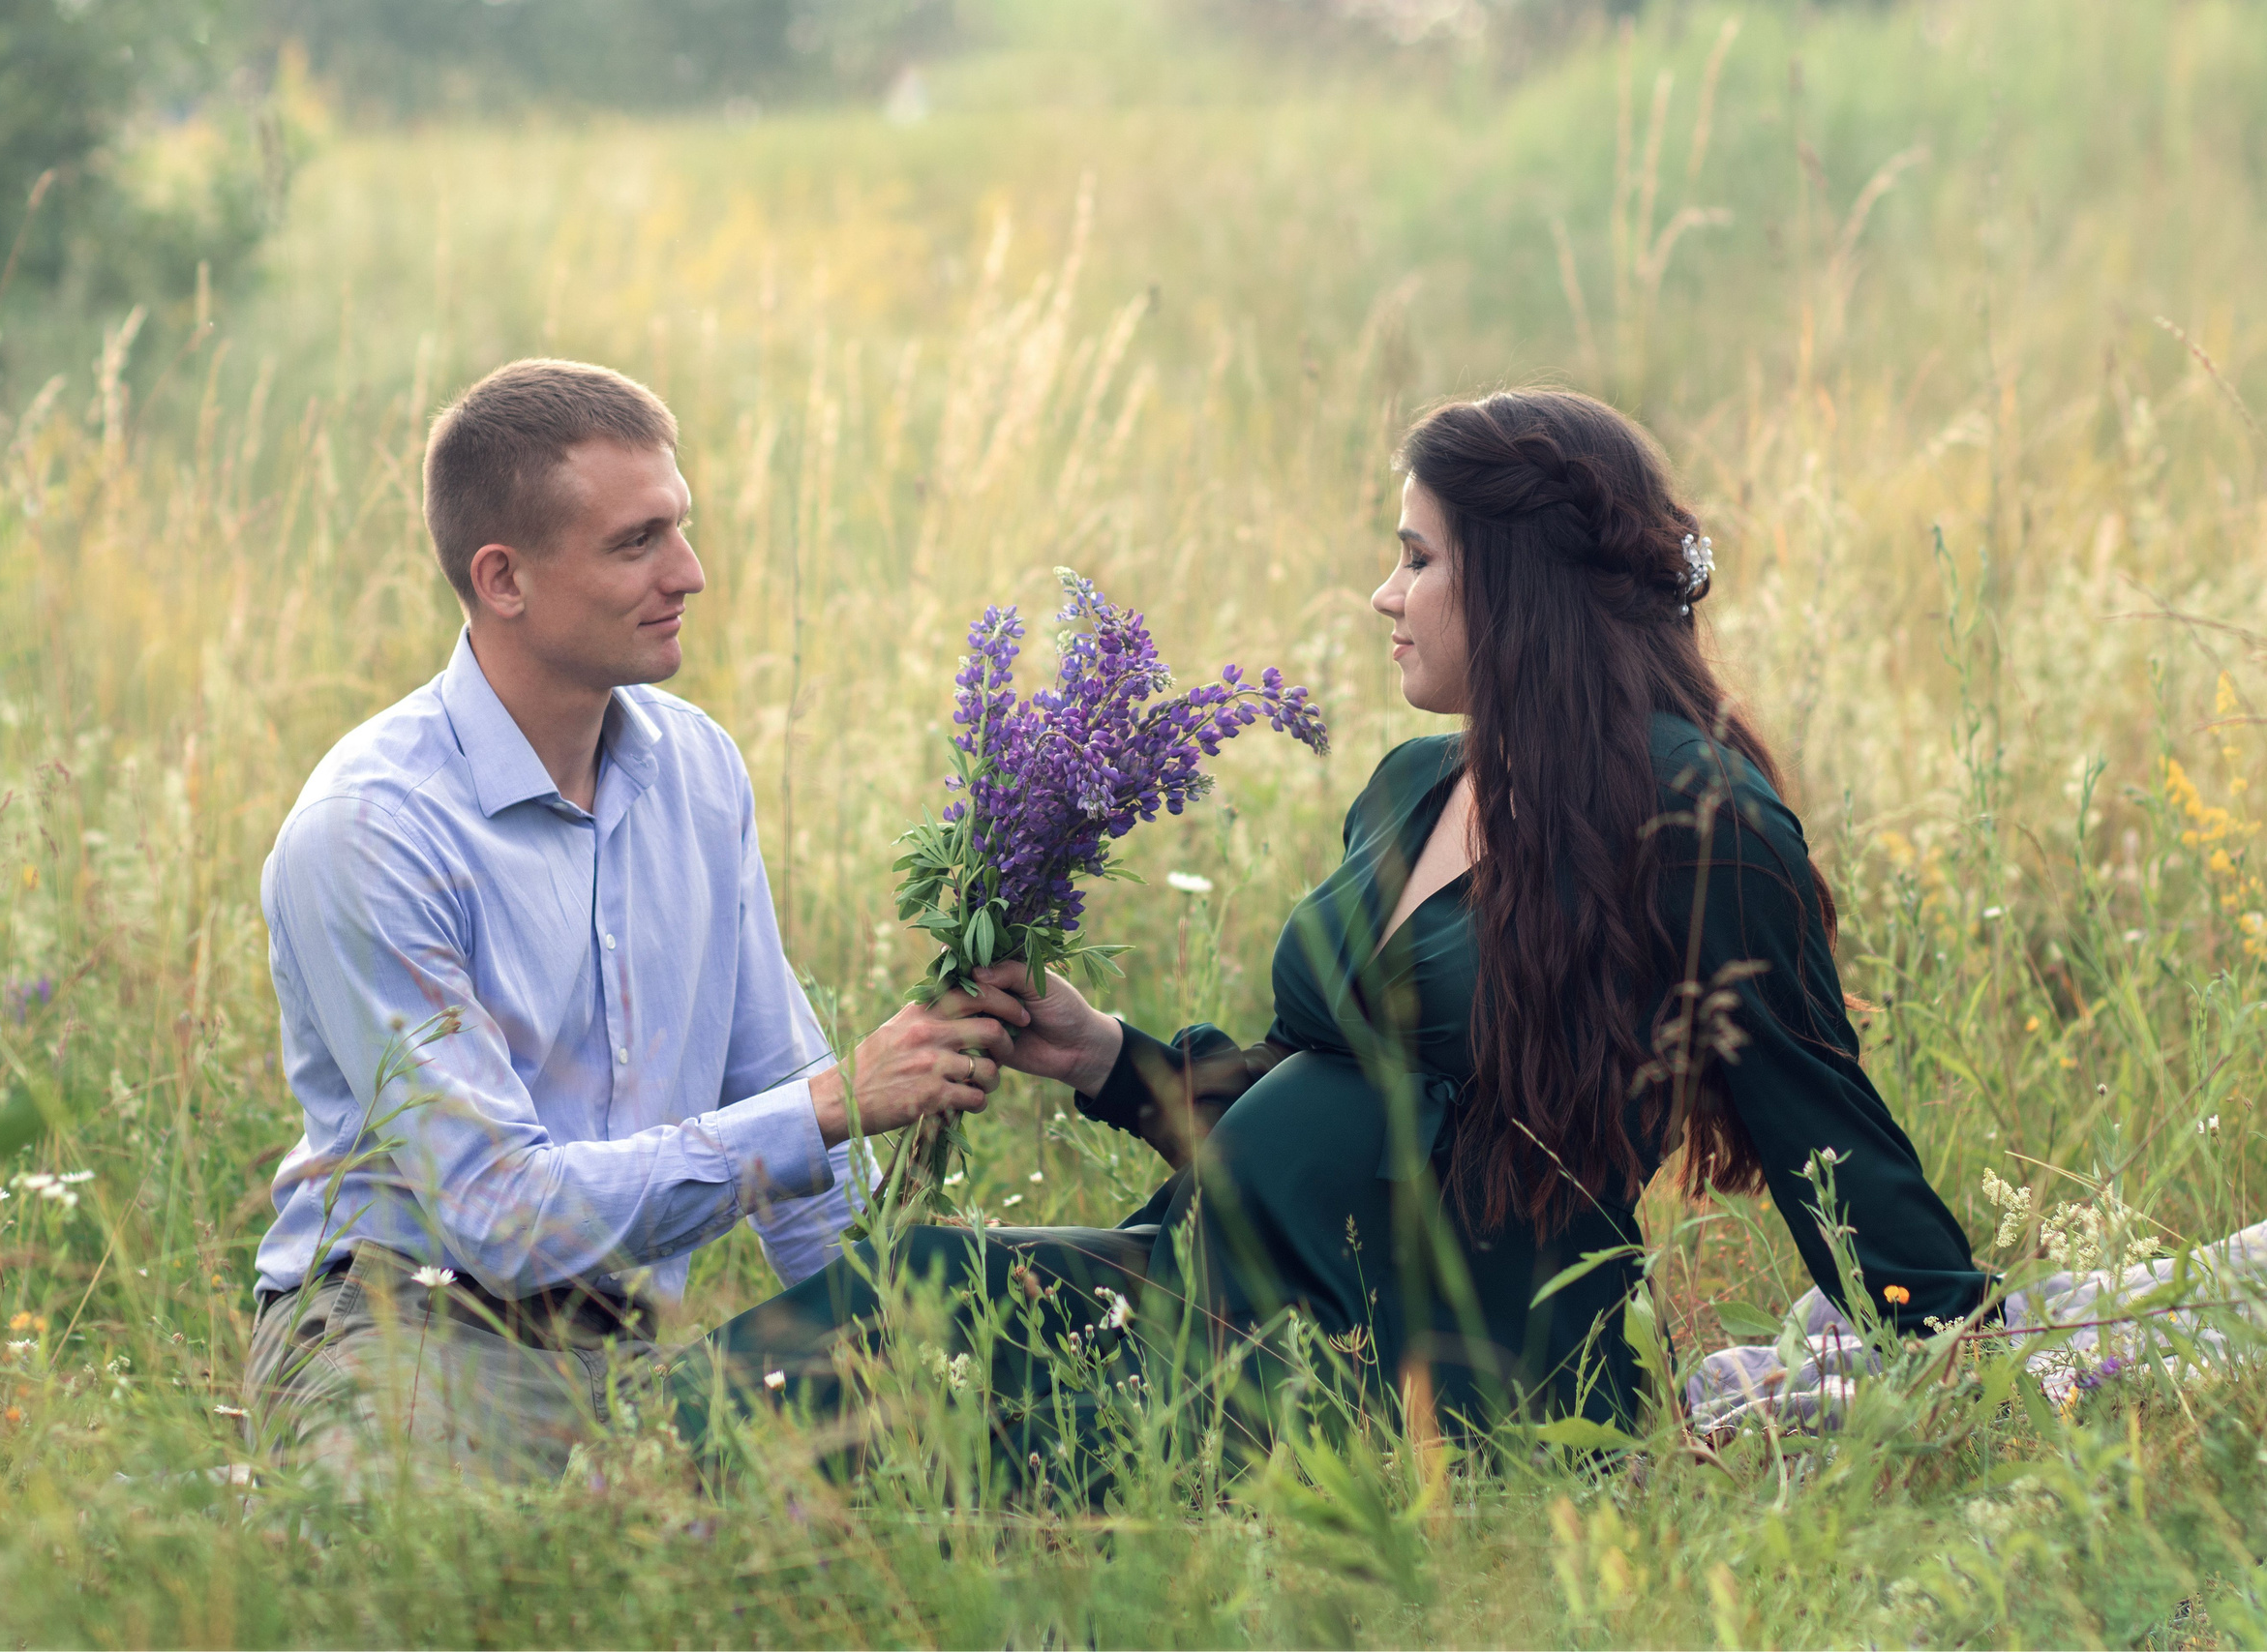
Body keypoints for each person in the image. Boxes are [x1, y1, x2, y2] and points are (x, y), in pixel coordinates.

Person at [688, 388, 1990, 1467]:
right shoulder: (1417, 785)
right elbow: (1333, 1098)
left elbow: (1826, 1123)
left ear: (1520, 586)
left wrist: (1952, 1351)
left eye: (1419, 558)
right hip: (1210, 1280)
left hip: (1410, 1364)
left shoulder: (1692, 815)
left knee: (907, 1397)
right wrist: (1105, 1055)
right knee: (907, 1288)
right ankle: (590, 1466)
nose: (1384, 594)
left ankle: (627, 1487)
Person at [240, 358, 1014, 1487]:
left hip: (632, 1351)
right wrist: (832, 1103)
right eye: (635, 543)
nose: (690, 574)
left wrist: (889, 1347)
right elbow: (499, 1216)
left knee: (960, 1485)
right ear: (502, 579)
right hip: (401, 1334)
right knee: (450, 1586)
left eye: (681, 530)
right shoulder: (371, 831)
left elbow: (783, 1096)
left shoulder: (696, 768)